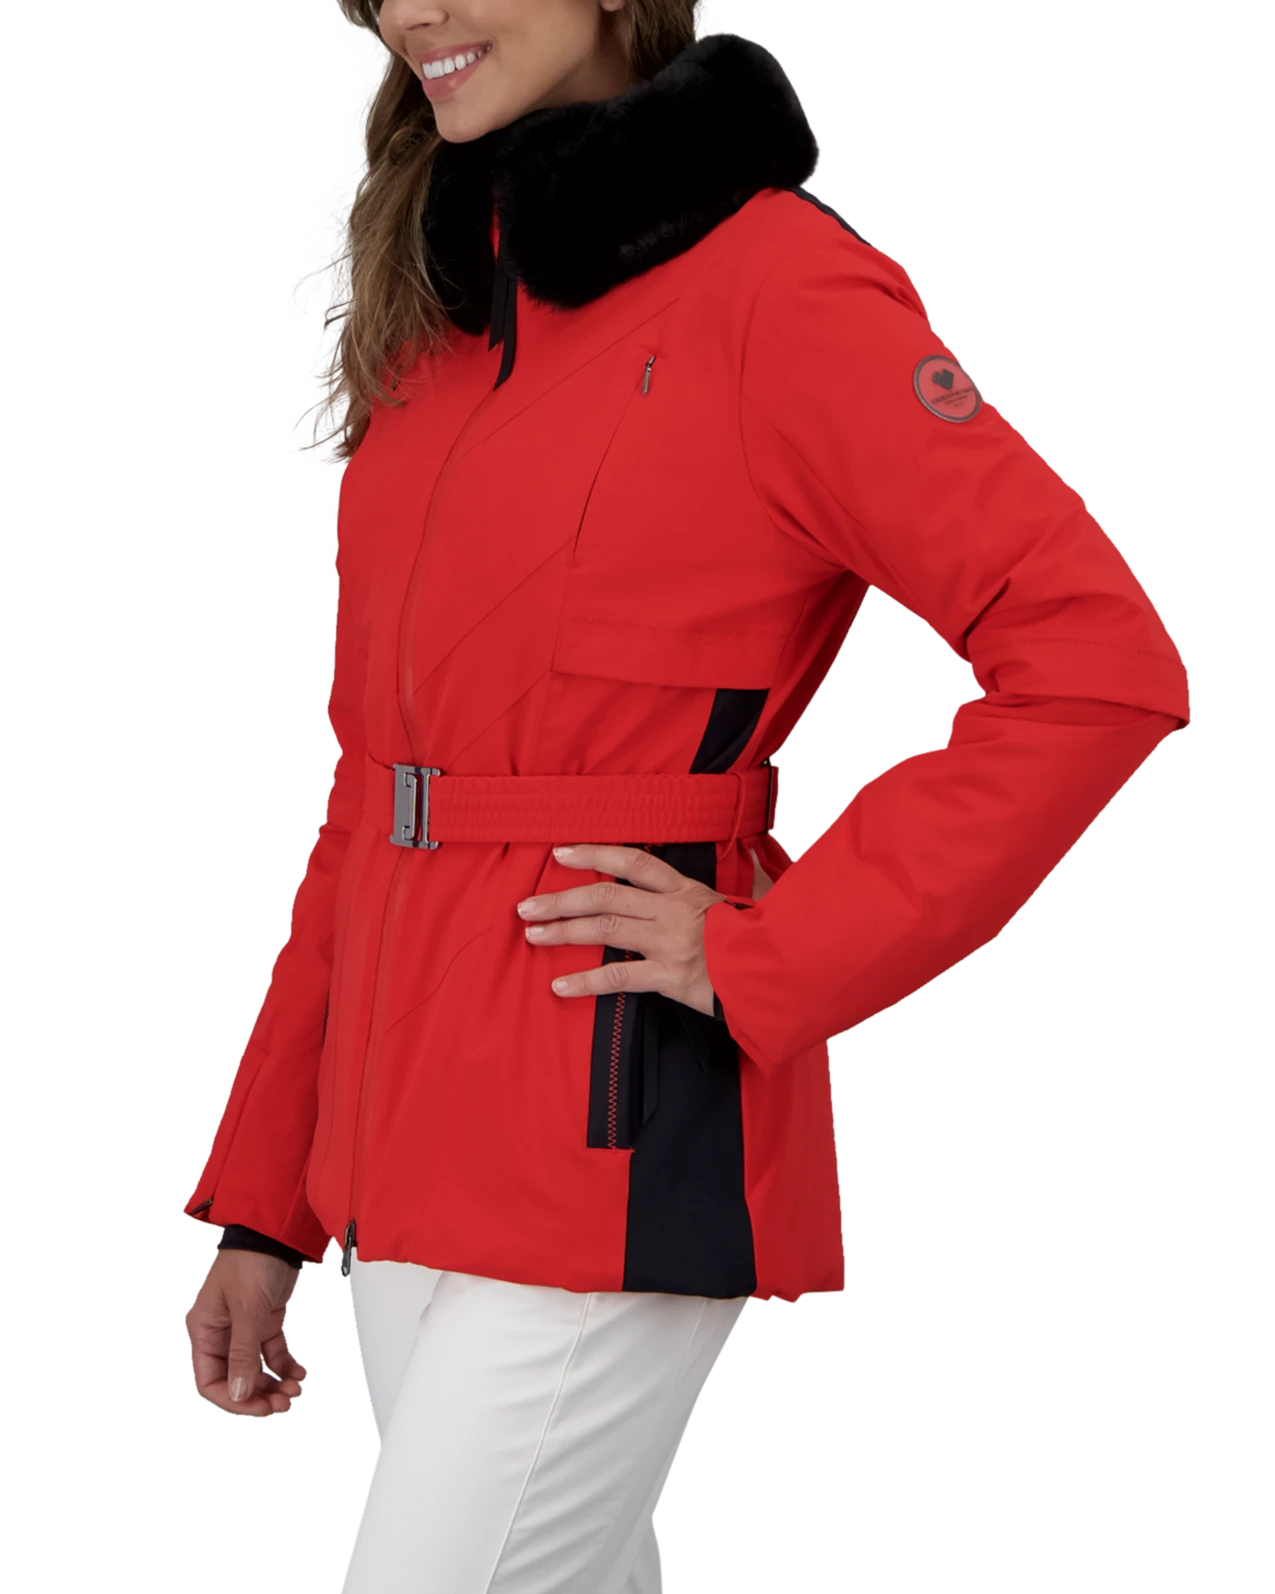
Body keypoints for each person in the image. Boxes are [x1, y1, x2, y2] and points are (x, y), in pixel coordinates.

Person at [180, 3, 1192, 1591]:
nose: (414, 11)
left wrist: (777, 949)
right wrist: (266, 1202)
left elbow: (1095, 663)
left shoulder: (778, 288)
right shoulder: (445, 308)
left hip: (616, 1128)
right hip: (397, 1147)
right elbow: (378, 795)